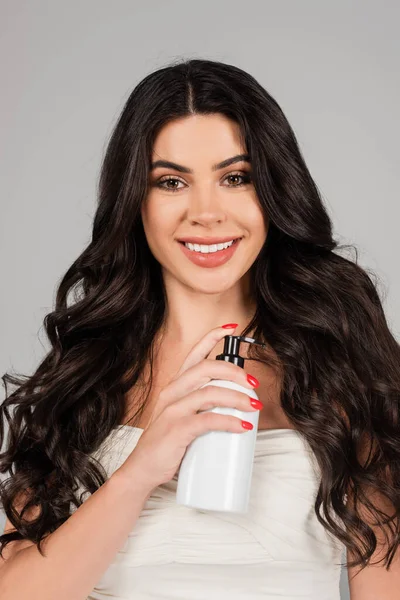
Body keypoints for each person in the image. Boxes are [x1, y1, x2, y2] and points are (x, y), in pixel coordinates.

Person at [0, 58, 399, 600]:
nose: (205, 213)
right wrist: (140, 471)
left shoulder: (338, 360)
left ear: (273, 192)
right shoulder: (84, 375)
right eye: (171, 182)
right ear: (134, 201)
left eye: (235, 178)